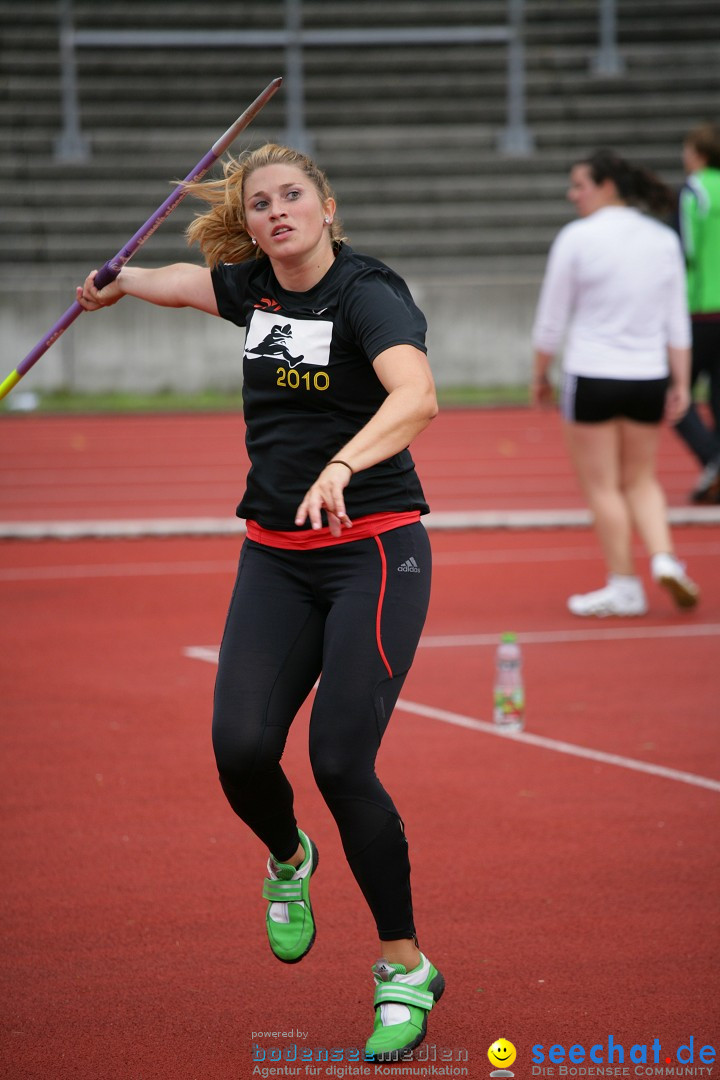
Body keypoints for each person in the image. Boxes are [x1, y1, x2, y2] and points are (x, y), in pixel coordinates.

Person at [76, 143, 444, 1060]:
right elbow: (181, 283)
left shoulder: (367, 293)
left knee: (340, 761)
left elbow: (419, 395)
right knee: (240, 750)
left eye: (293, 196)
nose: (278, 211)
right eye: (261, 203)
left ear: (325, 206)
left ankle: (403, 965)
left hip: (372, 553)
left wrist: (342, 463)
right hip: (276, 559)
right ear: (252, 224)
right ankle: (290, 858)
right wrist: (117, 284)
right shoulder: (253, 289)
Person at [531, 148, 700, 617]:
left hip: (594, 375)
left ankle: (625, 584)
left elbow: (551, 317)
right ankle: (665, 556)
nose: (572, 195)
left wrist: (539, 372)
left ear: (607, 186)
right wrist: (682, 382)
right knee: (642, 479)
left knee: (603, 486)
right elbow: (676, 319)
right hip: (648, 375)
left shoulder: (577, 238)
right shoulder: (662, 238)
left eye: (579, 185)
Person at [674, 122, 720, 504]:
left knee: (675, 396)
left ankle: (713, 460)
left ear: (700, 154)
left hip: (702, 307)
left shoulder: (694, 189)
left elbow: (686, 249)